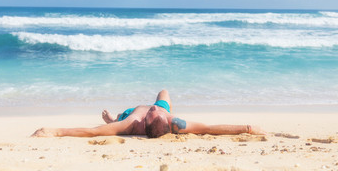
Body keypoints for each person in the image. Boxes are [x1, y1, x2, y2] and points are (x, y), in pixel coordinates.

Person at [31, 90, 265, 138]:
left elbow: (93, 132)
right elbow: (209, 128)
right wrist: (246, 127)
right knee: (164, 91)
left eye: (154, 113)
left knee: (114, 120)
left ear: (146, 123)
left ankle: (113, 117)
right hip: (159, 120)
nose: (155, 109)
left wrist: (56, 131)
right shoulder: (173, 121)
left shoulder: (132, 122)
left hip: (126, 113)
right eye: (159, 112)